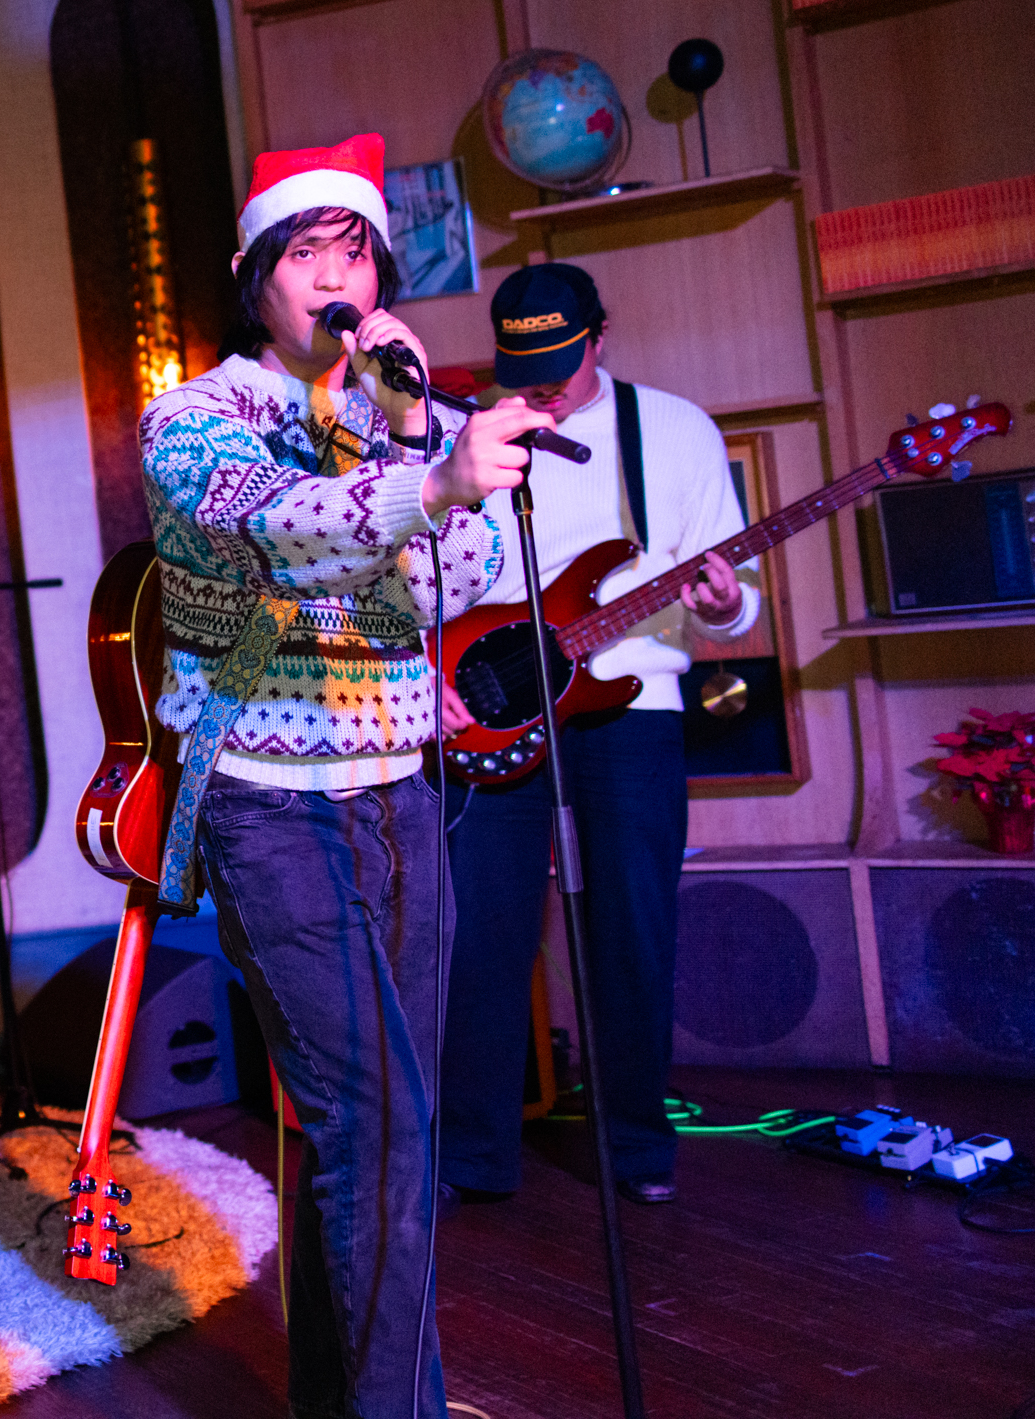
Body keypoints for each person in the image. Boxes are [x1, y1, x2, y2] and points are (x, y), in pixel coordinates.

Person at [141, 133, 552, 1418]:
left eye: (356, 253)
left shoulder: (393, 414)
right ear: (254, 275)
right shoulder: (193, 418)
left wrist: (420, 429)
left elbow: (458, 578)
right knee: (375, 1122)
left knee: (385, 1132)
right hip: (267, 799)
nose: (336, 277)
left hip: (401, 791)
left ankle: (346, 1398)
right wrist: (428, 477)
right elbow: (278, 530)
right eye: (307, 253)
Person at [437, 262, 756, 1208]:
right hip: (491, 704)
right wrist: (432, 672)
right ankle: (473, 1153)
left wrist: (725, 604)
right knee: (480, 933)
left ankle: (636, 1146)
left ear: (600, 336)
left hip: (632, 705)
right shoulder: (464, 436)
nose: (544, 386)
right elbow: (425, 580)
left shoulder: (675, 430)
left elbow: (733, 605)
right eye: (525, 368)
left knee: (632, 928)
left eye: (562, 364)